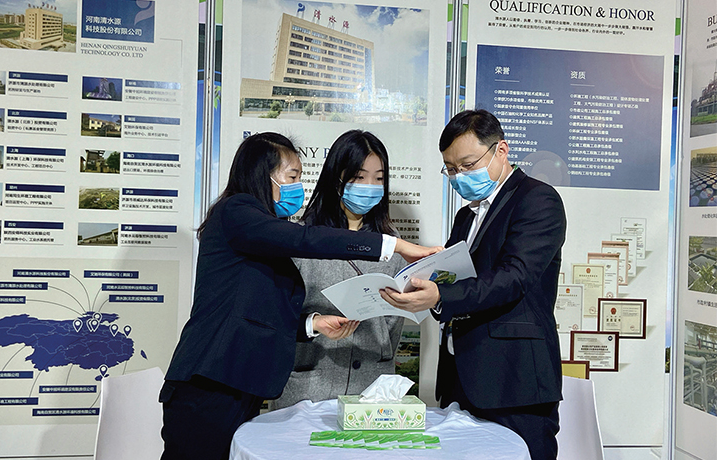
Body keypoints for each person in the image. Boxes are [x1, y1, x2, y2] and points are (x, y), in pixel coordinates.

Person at [159, 132, 438, 460]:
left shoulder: (261, 234)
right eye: (291, 177)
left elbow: (261, 314)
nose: (297, 187)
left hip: (240, 386)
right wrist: (395, 245)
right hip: (210, 382)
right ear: (263, 174)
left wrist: (313, 324)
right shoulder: (236, 210)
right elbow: (306, 239)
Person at [380, 110, 566, 460]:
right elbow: (459, 279)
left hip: (515, 380)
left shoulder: (537, 199)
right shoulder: (466, 215)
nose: (459, 176)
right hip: (462, 377)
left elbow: (514, 277)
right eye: (450, 169)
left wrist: (441, 295)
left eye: (467, 165)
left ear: (501, 150)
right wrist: (428, 283)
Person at [271, 130, 406, 410]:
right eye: (359, 177)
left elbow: (393, 325)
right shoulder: (300, 240)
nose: (370, 186)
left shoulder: (392, 245)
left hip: (371, 391)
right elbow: (277, 316)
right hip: (307, 390)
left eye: (379, 178)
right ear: (337, 178)